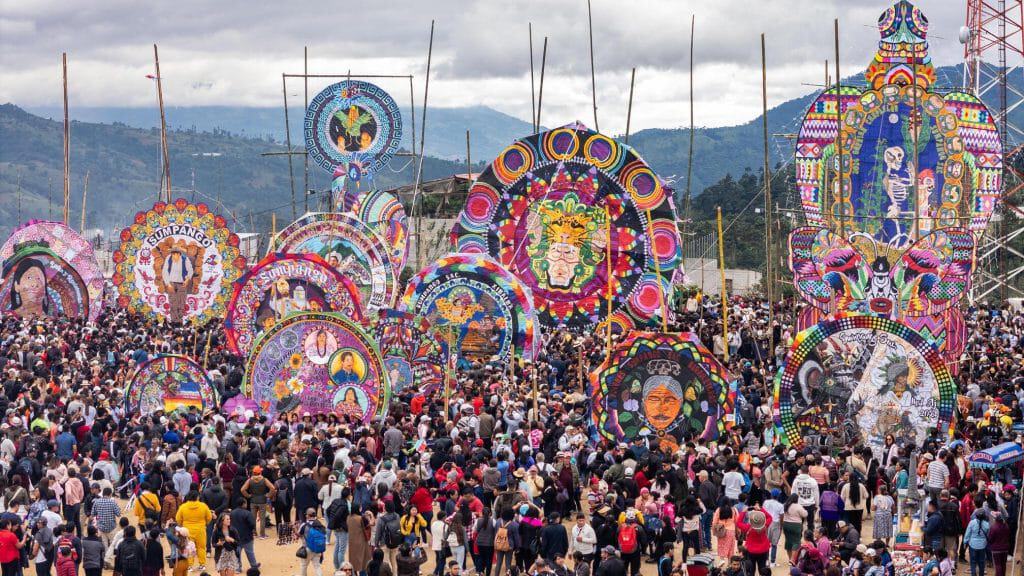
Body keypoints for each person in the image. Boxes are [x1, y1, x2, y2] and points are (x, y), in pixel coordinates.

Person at [176, 490, 214, 570]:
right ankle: (202, 564)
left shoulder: (183, 506)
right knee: (201, 547)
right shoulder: (203, 506)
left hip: (187, 530)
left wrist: (182, 525)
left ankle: (189, 566)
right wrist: (205, 523)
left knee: (188, 547)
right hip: (200, 529)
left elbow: (178, 519)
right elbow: (209, 517)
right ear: (197, 497)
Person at [738, 507, 772, 576]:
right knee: (762, 569)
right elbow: (770, 517)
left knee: (751, 570)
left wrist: (743, 512)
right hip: (763, 550)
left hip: (751, 551)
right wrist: (761, 509)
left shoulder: (748, 527)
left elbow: (738, 522)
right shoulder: (764, 526)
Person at [299, 508, 327, 576]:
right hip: (318, 549)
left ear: (308, 515)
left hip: (307, 549)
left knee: (304, 565)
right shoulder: (320, 525)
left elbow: (299, 534)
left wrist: (294, 529)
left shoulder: (304, 525)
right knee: (317, 566)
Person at [963, 510, 990, 576]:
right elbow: (988, 535)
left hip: (973, 545)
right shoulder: (987, 524)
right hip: (982, 546)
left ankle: (973, 574)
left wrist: (965, 542)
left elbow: (967, 533)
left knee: (973, 562)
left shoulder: (972, 523)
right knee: (981, 562)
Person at [990, 512, 1011, 576]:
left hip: (996, 549)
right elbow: (1008, 536)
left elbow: (990, 538)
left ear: (996, 519)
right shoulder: (1006, 526)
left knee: (998, 565)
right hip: (1005, 548)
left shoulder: (993, 527)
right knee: (1003, 564)